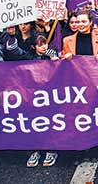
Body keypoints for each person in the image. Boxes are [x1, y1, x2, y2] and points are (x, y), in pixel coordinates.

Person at [26, 36, 59, 168]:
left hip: (49, 95)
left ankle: (51, 150)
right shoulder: (29, 57)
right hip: (33, 95)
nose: (44, 47)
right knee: (35, 122)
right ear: (34, 47)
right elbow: (15, 52)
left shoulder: (51, 53)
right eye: (40, 45)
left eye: (45, 43)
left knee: (49, 122)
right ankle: (36, 150)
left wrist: (54, 59)